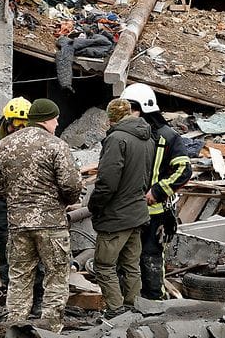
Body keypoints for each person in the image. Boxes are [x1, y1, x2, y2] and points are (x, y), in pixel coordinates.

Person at [0, 98, 83, 333]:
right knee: (56, 276)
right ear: (47, 120)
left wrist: (14, 199)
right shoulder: (56, 146)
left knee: (19, 277)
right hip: (51, 224)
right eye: (56, 119)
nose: (57, 124)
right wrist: (64, 201)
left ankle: (14, 327)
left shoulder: (5, 145)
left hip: (18, 224)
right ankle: (50, 330)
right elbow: (71, 184)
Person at [118, 83, 193, 300]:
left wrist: (158, 191)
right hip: (128, 211)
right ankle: (129, 304)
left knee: (150, 259)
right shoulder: (124, 135)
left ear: (141, 108)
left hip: (155, 213)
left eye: (129, 108)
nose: (126, 114)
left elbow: (184, 170)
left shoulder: (167, 136)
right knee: (126, 260)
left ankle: (154, 304)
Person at [0, 97, 45, 301]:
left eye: (23, 125)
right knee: (4, 247)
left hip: (28, 201)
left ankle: (36, 298)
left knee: (33, 250)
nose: (17, 130)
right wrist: (1, 153)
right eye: (14, 124)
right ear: (6, 120)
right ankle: (10, 296)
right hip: (1, 202)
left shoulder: (35, 136)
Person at [87, 98, 154, 316]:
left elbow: (107, 182)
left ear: (112, 118)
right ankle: (133, 307)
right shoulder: (148, 138)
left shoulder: (116, 139)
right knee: (131, 265)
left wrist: (95, 206)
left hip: (116, 216)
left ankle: (116, 311)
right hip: (137, 212)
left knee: (104, 266)